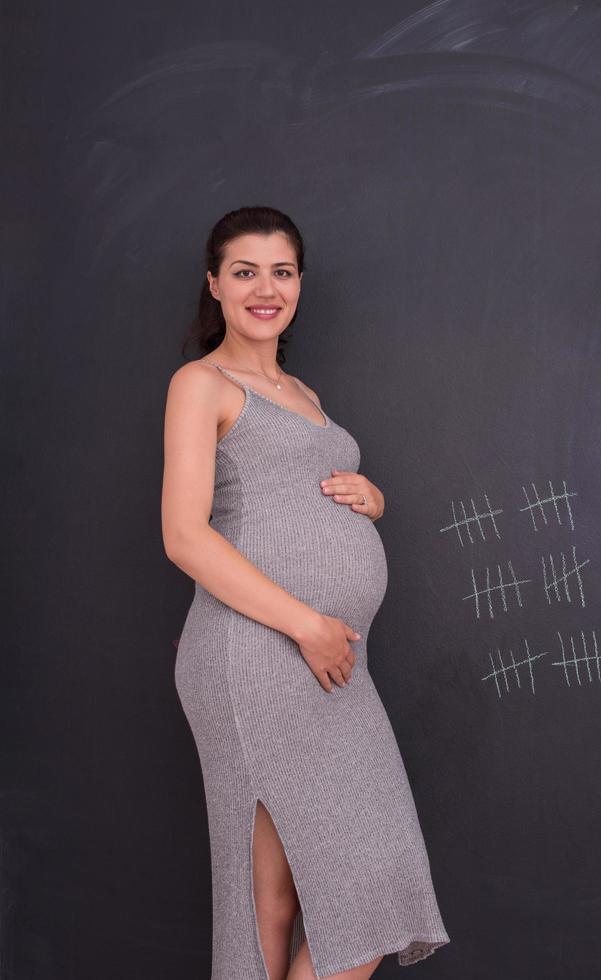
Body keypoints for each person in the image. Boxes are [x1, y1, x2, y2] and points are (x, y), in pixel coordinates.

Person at [161, 206, 450, 980]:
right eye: (245, 271)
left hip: (324, 657)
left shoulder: (302, 391)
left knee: (352, 883)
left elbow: (300, 489)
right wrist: (305, 624)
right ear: (214, 284)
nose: (265, 288)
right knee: (274, 899)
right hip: (259, 649)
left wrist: (372, 500)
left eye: (281, 272)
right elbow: (185, 535)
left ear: (298, 285)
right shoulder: (201, 383)